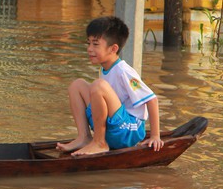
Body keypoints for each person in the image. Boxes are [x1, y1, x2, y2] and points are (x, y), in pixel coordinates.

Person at [57, 16, 163, 156]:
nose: (89, 49)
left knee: (98, 86)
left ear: (113, 49)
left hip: (128, 131)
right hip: (114, 126)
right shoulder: (104, 69)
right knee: (77, 85)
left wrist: (155, 136)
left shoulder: (123, 71)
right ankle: (84, 137)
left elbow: (152, 99)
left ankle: (100, 143)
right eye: (88, 43)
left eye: (95, 44)